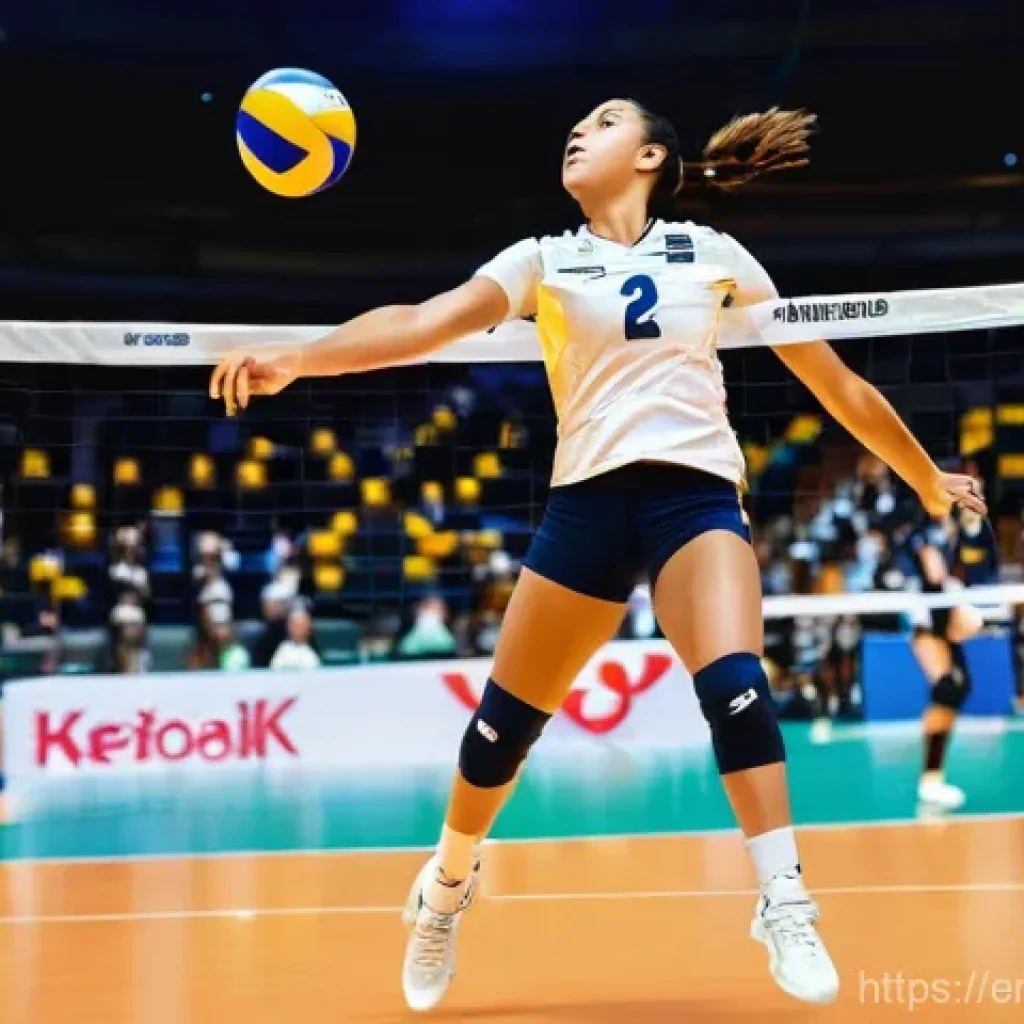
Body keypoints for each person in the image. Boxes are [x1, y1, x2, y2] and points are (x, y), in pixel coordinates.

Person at [209, 98, 986, 1011]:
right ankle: (447, 886)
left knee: (738, 684)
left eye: (604, 122)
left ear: (651, 155)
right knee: (500, 730)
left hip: (695, 497)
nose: (578, 132)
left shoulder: (713, 253)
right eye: (577, 126)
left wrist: (925, 476)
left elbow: (836, 382)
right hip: (585, 505)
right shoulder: (542, 259)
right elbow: (423, 321)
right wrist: (302, 358)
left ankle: (783, 897)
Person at [901, 507, 986, 811]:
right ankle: (930, 781)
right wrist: (950, 619)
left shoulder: (958, 531)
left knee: (959, 689)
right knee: (948, 689)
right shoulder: (924, 530)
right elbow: (933, 577)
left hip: (946, 611)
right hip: (929, 619)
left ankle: (933, 777)